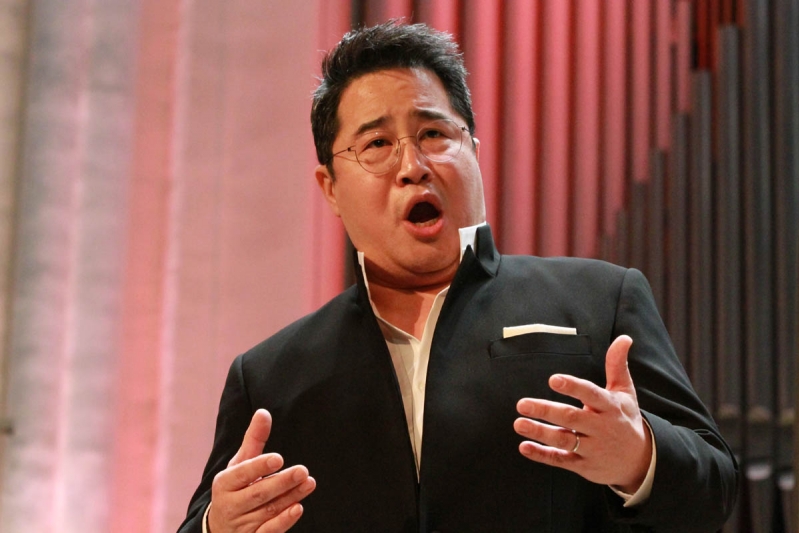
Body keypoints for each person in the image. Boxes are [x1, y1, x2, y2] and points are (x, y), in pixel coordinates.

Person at [178, 21, 738, 533]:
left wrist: (639, 458)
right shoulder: (272, 375)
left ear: (472, 150)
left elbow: (715, 491)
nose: (412, 166)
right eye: (377, 144)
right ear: (331, 188)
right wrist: (216, 528)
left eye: (433, 134)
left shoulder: (599, 300)